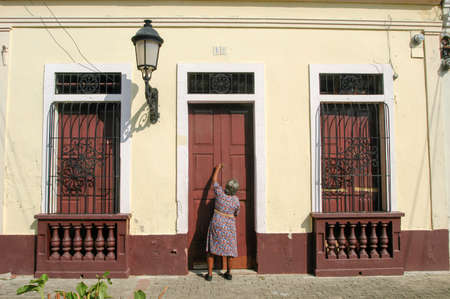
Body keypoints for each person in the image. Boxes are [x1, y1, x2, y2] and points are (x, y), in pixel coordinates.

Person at [205, 164, 240, 281]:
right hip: (229, 226)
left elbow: (214, 181)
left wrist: (218, 169)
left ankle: (209, 275)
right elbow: (236, 213)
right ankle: (229, 273)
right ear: (235, 190)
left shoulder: (220, 194)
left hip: (217, 223)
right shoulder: (235, 200)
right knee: (230, 249)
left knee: (211, 249)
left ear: (226, 187)